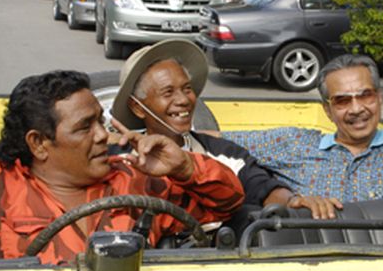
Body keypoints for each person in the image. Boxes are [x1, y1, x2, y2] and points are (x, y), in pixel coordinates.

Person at [0, 71, 244, 271]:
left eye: (100, 121)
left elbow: (227, 204)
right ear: (39, 144)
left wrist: (185, 166)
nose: (103, 135)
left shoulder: (135, 180)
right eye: (84, 127)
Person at [221, 54, 383, 219]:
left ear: (379, 99)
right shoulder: (296, 144)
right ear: (328, 110)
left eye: (365, 96)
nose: (357, 108)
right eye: (343, 101)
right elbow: (217, 141)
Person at [110, 39, 343, 219]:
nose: (183, 100)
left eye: (187, 88)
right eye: (167, 92)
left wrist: (292, 201)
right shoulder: (117, 157)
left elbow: (263, 188)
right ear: (137, 107)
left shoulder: (224, 152)